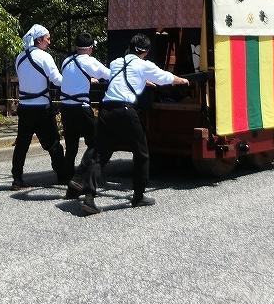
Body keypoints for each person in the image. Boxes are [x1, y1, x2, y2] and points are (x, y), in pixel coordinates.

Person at [71, 33, 189, 215]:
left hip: (106, 110)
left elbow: (122, 78)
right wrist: (182, 80)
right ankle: (138, 196)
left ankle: (89, 197)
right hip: (126, 111)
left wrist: (142, 81)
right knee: (141, 154)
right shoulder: (144, 65)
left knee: (99, 156)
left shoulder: (116, 63)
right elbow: (165, 77)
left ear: (129, 47)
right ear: (146, 52)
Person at [11, 24, 69, 189]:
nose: (49, 42)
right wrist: (73, 82)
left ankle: (17, 178)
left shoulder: (20, 57)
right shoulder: (45, 57)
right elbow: (57, 81)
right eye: (47, 39)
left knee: (22, 144)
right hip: (42, 108)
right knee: (54, 144)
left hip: (24, 107)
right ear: (39, 40)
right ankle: (62, 175)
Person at [59, 32, 111, 175]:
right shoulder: (90, 62)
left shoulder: (66, 61)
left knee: (71, 145)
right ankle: (81, 173)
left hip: (65, 107)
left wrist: (88, 78)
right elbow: (110, 75)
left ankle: (67, 174)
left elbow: (73, 78)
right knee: (94, 143)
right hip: (81, 108)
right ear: (91, 48)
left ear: (76, 47)